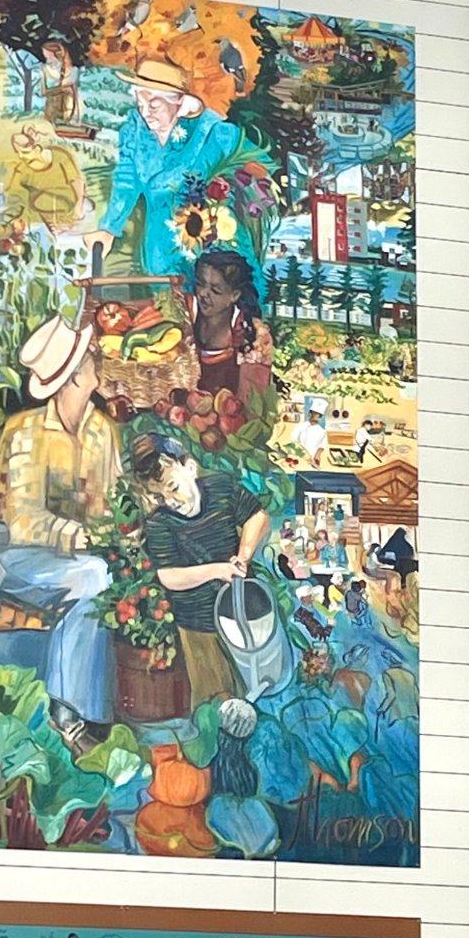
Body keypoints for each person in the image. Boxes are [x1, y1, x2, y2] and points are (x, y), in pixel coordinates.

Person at [0, 317, 123, 732]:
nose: (99, 359)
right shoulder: (25, 432)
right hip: (9, 551)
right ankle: (68, 711)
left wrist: (115, 530)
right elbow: (21, 519)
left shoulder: (102, 431)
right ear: (74, 376)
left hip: (72, 553)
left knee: (99, 576)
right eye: (91, 356)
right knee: (93, 576)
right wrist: (75, 534)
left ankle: (66, 705)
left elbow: (109, 505)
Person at [128, 431, 271, 707]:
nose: (170, 501)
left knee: (255, 689)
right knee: (215, 701)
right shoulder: (159, 524)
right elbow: (169, 576)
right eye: (159, 497)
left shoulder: (220, 488)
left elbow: (257, 516)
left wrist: (243, 554)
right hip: (197, 626)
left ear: (190, 468)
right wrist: (217, 570)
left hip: (240, 611)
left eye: (173, 487)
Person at [101, 57, 243, 278]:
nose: (146, 112)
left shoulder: (213, 134)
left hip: (205, 249)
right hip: (156, 248)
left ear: (179, 101)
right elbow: (126, 180)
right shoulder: (135, 130)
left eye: (154, 105)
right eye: (140, 105)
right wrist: (109, 227)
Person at [186, 247, 273, 412]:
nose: (203, 294)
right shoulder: (185, 310)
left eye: (215, 290)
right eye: (200, 284)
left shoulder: (253, 338)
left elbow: (252, 404)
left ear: (234, 295)